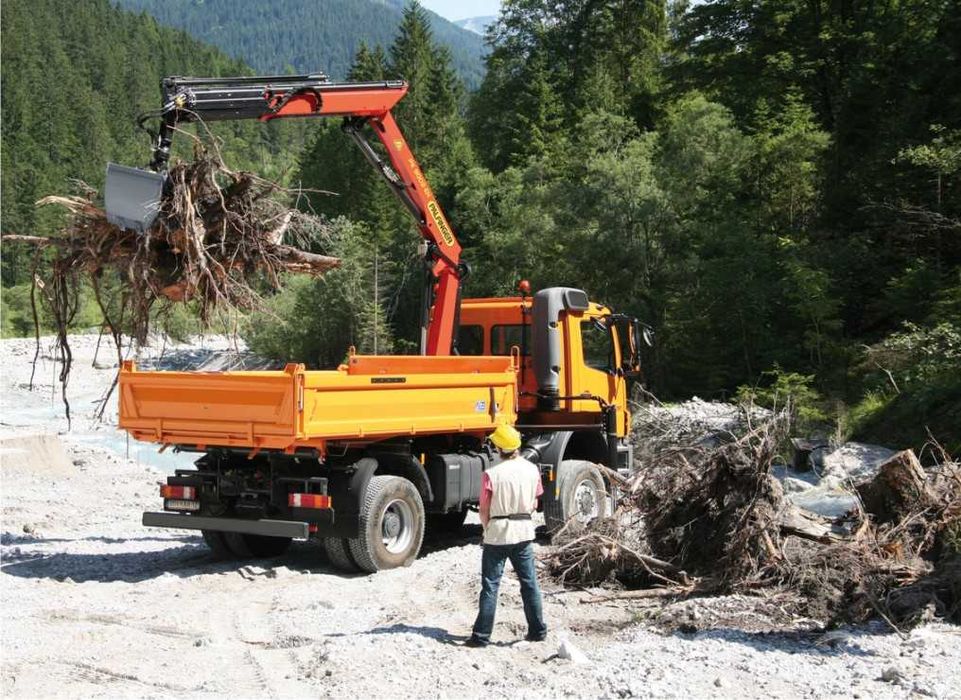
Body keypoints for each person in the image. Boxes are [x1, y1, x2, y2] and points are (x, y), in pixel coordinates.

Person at [466, 423, 548, 647]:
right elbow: (534, 503)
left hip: (497, 533)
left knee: (491, 585)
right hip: (523, 532)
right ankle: (538, 631)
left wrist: (486, 528)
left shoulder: (491, 474)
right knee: (529, 583)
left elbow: (484, 510)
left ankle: (481, 636)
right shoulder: (533, 470)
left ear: (498, 448)